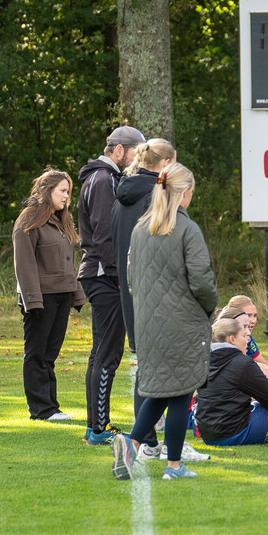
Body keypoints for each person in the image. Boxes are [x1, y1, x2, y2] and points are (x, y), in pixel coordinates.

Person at [111, 163, 218, 481]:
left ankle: (131, 444)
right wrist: (209, 307)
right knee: (181, 392)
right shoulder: (186, 229)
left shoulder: (140, 229)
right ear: (185, 193)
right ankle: (173, 465)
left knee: (162, 390)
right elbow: (202, 281)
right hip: (182, 321)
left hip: (147, 322)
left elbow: (131, 277)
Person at [79, 125, 146, 445]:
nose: (137, 161)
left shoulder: (103, 177)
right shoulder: (104, 179)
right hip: (105, 276)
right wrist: (121, 278)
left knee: (102, 353)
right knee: (107, 353)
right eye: (135, 153)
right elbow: (105, 235)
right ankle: (98, 428)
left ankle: (96, 424)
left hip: (102, 274)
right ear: (119, 150)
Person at [110, 137, 175, 449]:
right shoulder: (156, 196)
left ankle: (147, 440)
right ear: (166, 163)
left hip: (130, 288)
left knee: (147, 368)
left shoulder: (120, 198)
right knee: (163, 370)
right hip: (155, 291)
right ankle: (150, 441)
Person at [13, 169, 87, 421]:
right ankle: (41, 409)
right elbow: (24, 264)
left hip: (62, 295)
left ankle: (51, 406)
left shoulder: (62, 219)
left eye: (68, 192)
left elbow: (69, 262)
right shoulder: (29, 218)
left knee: (50, 354)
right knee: (37, 353)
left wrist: (77, 293)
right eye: (62, 191)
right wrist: (32, 300)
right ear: (47, 191)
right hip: (40, 298)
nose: (66, 196)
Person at [193, 317, 268, 446]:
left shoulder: (204, 361)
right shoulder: (242, 363)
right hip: (235, 434)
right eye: (244, 336)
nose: (247, 340)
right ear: (232, 339)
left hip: (207, 435)